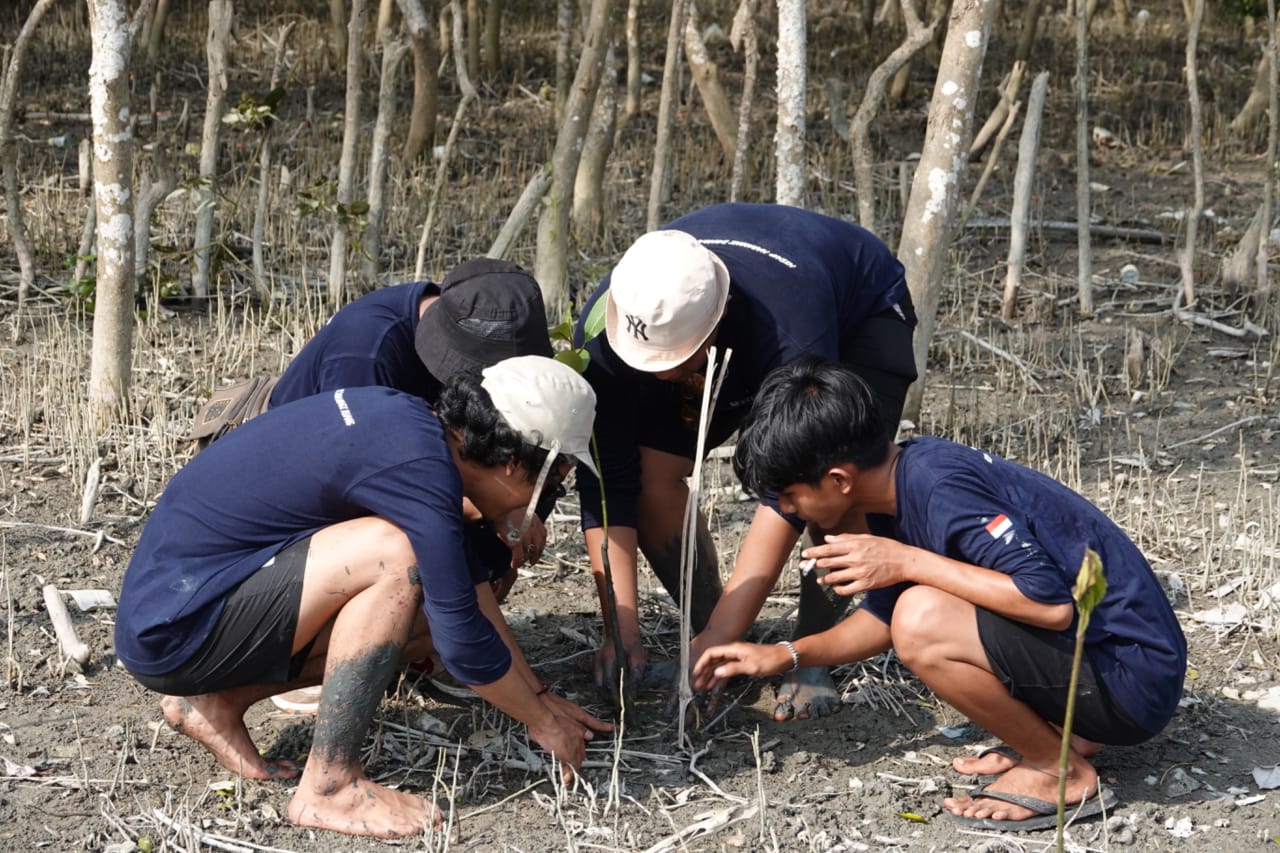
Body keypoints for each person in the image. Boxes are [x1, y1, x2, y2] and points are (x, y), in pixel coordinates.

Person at [116, 356, 613, 839]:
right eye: (553, 485)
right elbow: (462, 643)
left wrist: (540, 698)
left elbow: (463, 595)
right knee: (393, 556)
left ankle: (215, 700)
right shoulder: (422, 470)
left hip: (188, 603)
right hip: (177, 627)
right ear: (512, 464)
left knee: (418, 607)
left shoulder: (413, 429)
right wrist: (544, 724)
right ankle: (330, 786)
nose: (538, 506)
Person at [692, 357, 1186, 831]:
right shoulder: (894, 490)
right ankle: (1065, 740)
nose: (789, 510)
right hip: (1104, 669)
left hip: (1130, 679)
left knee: (921, 616)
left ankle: (1059, 771)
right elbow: (881, 623)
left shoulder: (938, 488)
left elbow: (1050, 604)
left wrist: (907, 562)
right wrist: (782, 656)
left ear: (838, 480)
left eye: (790, 496)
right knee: (912, 613)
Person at [571, 202, 917, 719]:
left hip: (859, 311)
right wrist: (622, 633)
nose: (661, 375)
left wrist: (721, 636)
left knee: (834, 487)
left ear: (721, 316)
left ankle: (812, 652)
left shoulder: (792, 325)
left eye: (675, 361)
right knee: (649, 479)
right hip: (716, 328)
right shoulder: (611, 326)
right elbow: (608, 482)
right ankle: (715, 637)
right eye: (651, 362)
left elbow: (791, 491)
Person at [266, 259, 558, 712]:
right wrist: (489, 507)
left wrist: (516, 505)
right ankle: (313, 654)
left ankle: (425, 643)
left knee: (494, 530)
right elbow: (356, 483)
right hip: (314, 514)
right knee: (421, 543)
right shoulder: (366, 355)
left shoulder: (466, 325)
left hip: (418, 479)